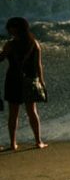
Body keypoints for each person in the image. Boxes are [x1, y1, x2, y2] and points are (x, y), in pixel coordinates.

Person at [2, 17, 47, 150]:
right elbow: (38, 65)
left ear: (15, 29)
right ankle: (38, 141)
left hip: (13, 80)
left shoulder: (10, 44)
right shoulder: (34, 43)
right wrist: (41, 81)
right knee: (32, 111)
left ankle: (13, 144)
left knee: (13, 113)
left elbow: (0, 58)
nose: (9, 30)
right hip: (30, 80)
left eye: (10, 27)